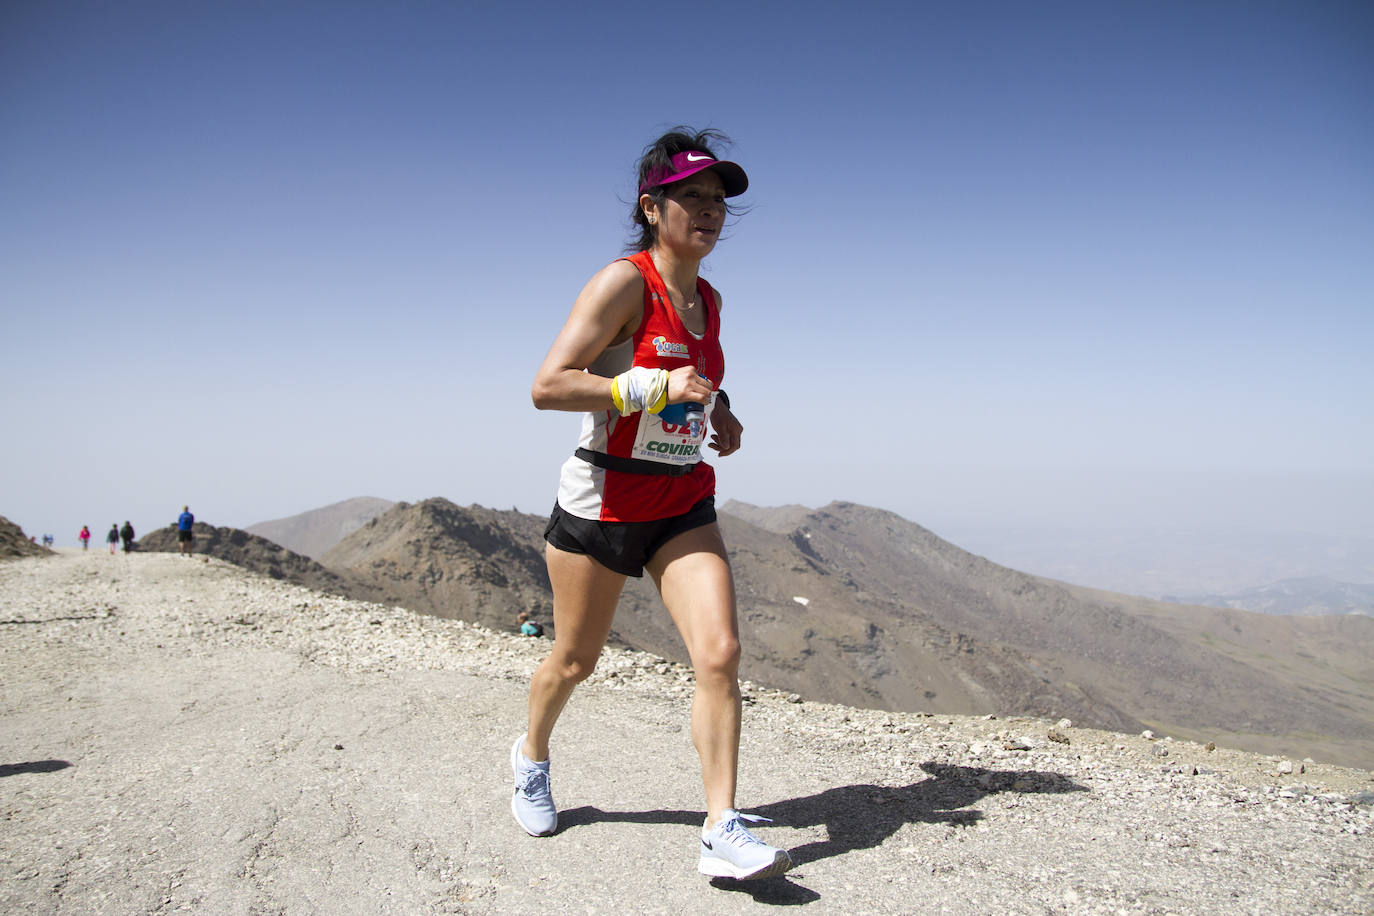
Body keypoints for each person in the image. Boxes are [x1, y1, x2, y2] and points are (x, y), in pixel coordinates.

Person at [511, 127, 790, 882]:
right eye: (690, 197)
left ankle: (720, 826)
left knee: (720, 653)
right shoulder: (622, 283)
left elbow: (692, 374)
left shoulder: (710, 299)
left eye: (718, 200)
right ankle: (531, 758)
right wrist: (646, 388)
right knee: (575, 660)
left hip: (681, 500)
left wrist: (720, 408)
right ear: (651, 207)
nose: (708, 211)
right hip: (603, 502)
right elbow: (549, 385)